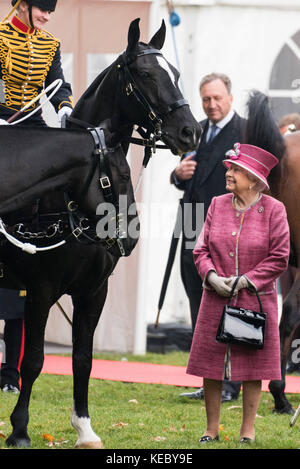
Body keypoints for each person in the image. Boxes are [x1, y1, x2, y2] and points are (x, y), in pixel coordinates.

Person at [186, 142, 290, 443]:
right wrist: (212, 276)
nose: (228, 173)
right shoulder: (217, 204)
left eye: (235, 169)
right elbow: (201, 249)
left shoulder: (274, 210)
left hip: (256, 298)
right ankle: (211, 430)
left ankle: (248, 431)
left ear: (254, 178)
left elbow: (280, 257)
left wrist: (246, 280)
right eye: (230, 168)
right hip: (216, 296)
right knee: (211, 362)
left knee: (252, 365)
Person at [0, 0, 73, 393]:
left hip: (34, 125)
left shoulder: (50, 43)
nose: (45, 18)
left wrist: (64, 108)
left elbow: (58, 84)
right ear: (22, 6)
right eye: (41, 10)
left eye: (49, 12)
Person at [171, 73, 246, 401]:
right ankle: (210, 382)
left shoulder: (245, 133)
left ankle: (232, 383)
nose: (212, 105)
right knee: (198, 306)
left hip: (228, 230)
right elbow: (186, 177)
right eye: (206, 99)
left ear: (230, 97)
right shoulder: (194, 131)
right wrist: (177, 174)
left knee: (232, 306)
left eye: (217, 98)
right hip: (189, 225)